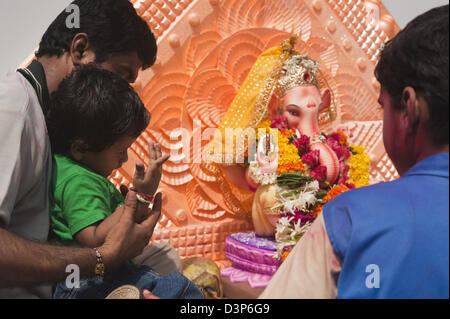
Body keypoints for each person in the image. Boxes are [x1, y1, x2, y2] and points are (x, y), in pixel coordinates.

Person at [259, 5, 449, 299]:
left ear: (409, 108)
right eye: (294, 111)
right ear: (277, 106)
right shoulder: (272, 138)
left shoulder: (351, 218)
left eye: (383, 106)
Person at [0, 0, 177, 299]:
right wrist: (102, 260)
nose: (123, 92)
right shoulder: (14, 107)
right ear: (80, 50)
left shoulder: (46, 117)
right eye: (120, 75)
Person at [46, 65, 203, 299]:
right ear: (81, 148)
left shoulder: (70, 167)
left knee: (165, 254)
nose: (125, 158)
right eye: (121, 150)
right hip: (88, 281)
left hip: (97, 274)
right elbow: (95, 239)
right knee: (180, 290)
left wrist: (141, 197)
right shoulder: (79, 181)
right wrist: (136, 198)